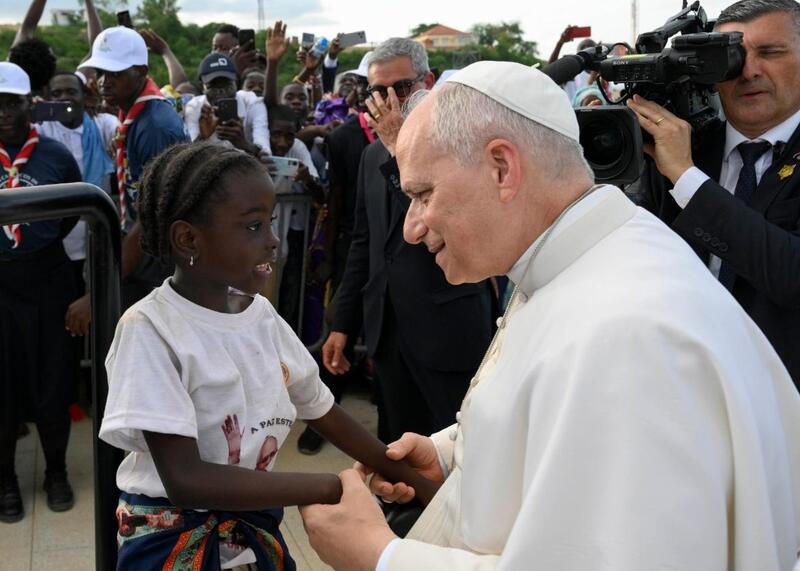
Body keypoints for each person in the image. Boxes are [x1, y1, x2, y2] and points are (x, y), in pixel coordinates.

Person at [299, 61, 800, 570]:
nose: (412, 227)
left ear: (502, 168)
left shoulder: (628, 338)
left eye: (423, 195)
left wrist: (379, 556)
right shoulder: (574, 258)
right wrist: (455, 455)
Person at [99, 141, 433, 568]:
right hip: (169, 542)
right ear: (188, 238)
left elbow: (323, 411)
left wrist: (418, 483)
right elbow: (186, 480)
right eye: (254, 226)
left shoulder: (261, 317)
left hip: (250, 529)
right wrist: (333, 487)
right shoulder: (151, 329)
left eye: (271, 222)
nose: (273, 240)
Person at [321, 38, 496, 445]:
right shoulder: (371, 157)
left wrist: (402, 151)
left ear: (427, 82)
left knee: (460, 446)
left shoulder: (460, 144)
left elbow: (444, 226)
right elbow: (364, 244)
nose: (389, 102)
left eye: (400, 88)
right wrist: (343, 324)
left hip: (448, 329)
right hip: (387, 332)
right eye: (378, 91)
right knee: (399, 447)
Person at [628, 0, 800, 386]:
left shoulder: (680, 165)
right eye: (730, 56)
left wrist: (687, 179)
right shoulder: (676, 150)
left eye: (770, 53)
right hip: (680, 389)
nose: (748, 71)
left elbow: (792, 275)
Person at [0, 63, 83, 523]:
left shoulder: (55, 155)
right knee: (3, 387)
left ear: (29, 104)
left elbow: (69, 215)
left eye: (12, 102)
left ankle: (56, 472)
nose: (3, 112)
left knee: (54, 382)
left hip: (47, 277)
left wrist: (37, 242)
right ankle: (6, 481)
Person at [82, 26, 189, 309]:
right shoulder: (132, 113)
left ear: (141, 71)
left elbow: (153, 213)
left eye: (115, 74)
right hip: (141, 248)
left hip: (153, 258)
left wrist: (102, 291)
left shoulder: (155, 127)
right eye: (100, 72)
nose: (104, 82)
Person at [35, 71, 118, 338]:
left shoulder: (103, 125)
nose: (64, 98)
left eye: (71, 91)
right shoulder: (41, 129)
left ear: (85, 96)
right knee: (63, 320)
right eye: (56, 94)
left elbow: (120, 133)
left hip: (96, 242)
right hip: (59, 246)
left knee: (98, 318)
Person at [183, 52, 270, 158]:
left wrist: (243, 143)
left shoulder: (251, 102)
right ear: (202, 87)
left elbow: (266, 154)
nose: (221, 91)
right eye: (213, 86)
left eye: (226, 84)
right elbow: (188, 158)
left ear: (236, 82)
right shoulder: (195, 107)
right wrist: (202, 138)